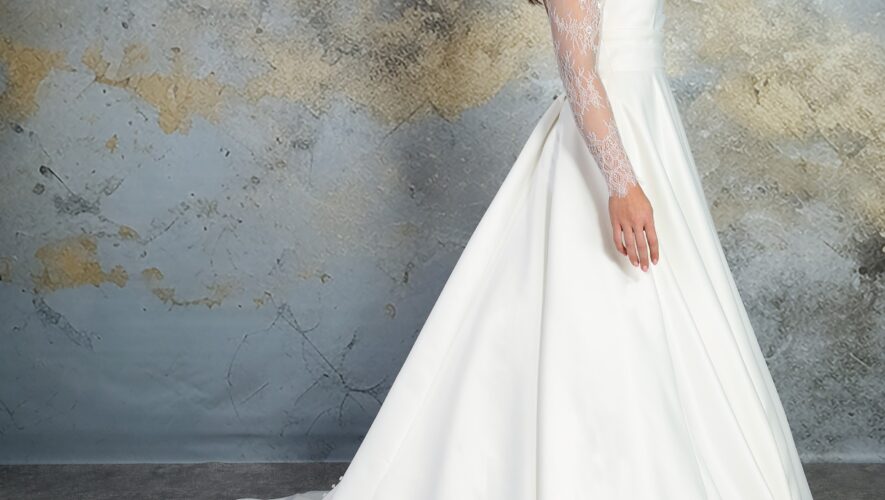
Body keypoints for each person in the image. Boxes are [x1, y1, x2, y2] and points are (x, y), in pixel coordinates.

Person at [242, 0, 814, 498]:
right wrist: (622, 185)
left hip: (650, 132)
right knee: (607, 315)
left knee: (678, 321)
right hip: (608, 155)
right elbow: (579, 72)